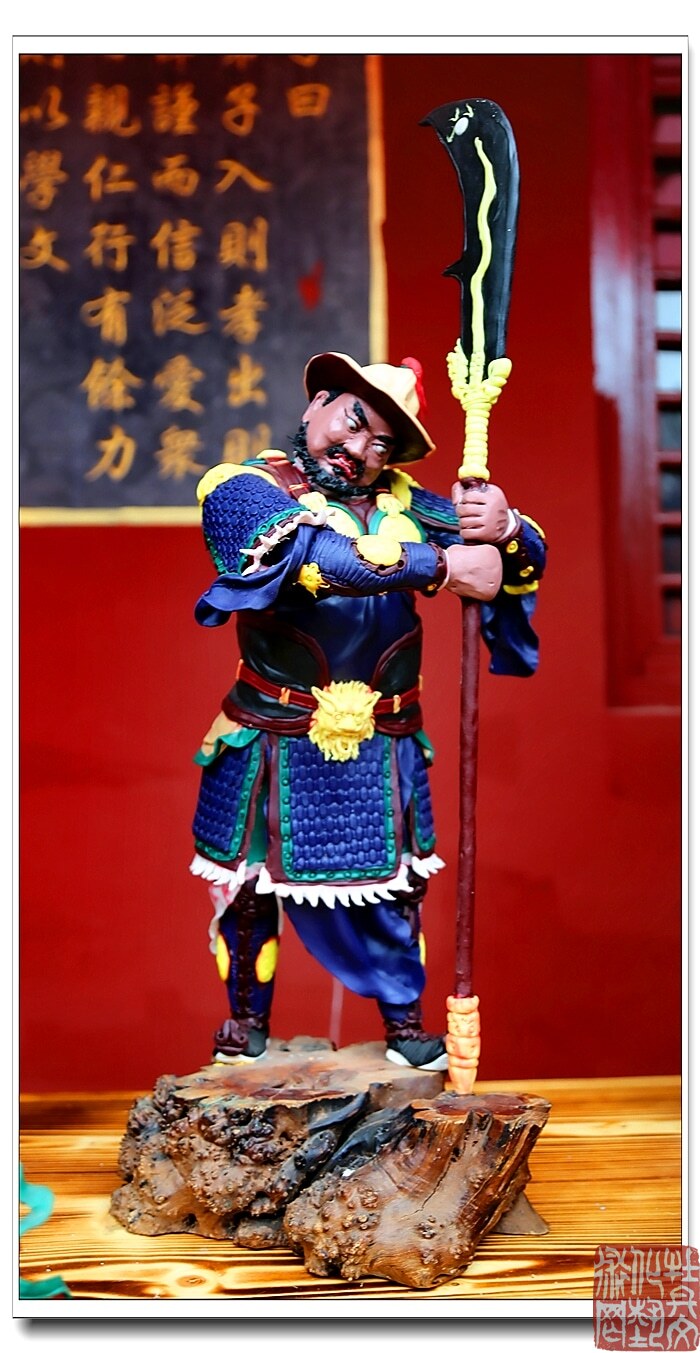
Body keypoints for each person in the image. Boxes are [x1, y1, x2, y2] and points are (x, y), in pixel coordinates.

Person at [190, 352, 546, 1070]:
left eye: (381, 443)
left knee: (399, 890)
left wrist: (505, 526)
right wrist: (443, 567)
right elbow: (316, 561)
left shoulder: (406, 503)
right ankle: (245, 1022)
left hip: (383, 739)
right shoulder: (242, 489)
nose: (358, 449)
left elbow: (522, 559)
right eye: (353, 423)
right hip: (272, 733)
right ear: (316, 404)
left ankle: (405, 1026)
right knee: (250, 894)